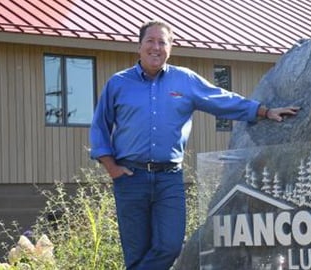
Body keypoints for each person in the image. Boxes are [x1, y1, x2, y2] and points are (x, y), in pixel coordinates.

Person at [89, 19, 299, 270]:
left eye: (162, 42)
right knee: (136, 252)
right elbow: (100, 126)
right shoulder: (118, 83)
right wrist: (111, 167)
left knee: (170, 246)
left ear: (170, 47)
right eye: (150, 41)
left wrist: (263, 111)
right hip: (130, 177)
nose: (156, 47)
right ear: (139, 46)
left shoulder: (184, 81)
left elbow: (221, 99)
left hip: (169, 179)